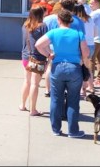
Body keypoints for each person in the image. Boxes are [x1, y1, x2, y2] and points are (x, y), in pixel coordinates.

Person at [35, 9, 90, 138]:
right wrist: (82, 59)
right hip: (74, 68)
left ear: (58, 20)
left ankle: (56, 129)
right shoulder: (78, 34)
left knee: (56, 99)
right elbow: (86, 52)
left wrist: (49, 55)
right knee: (73, 100)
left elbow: (38, 45)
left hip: (57, 68)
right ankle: (73, 131)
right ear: (70, 20)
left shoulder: (53, 32)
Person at [20, 7, 48, 116]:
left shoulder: (25, 25)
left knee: (26, 81)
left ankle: (22, 105)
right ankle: (33, 110)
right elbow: (45, 43)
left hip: (25, 57)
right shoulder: (43, 26)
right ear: (41, 14)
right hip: (38, 58)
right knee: (35, 84)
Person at [75, 4, 95, 97]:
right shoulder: (90, 19)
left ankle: (82, 90)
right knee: (87, 68)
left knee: (80, 68)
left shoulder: (77, 20)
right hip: (91, 45)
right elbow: (96, 32)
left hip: (82, 46)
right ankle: (91, 87)